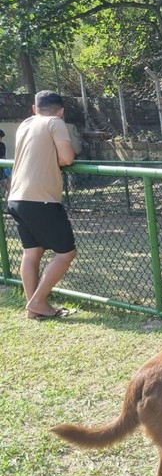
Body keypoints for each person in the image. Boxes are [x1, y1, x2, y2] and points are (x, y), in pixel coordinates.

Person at [6, 90, 77, 319]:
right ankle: (37, 302)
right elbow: (67, 158)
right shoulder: (55, 122)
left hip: (16, 198)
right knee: (66, 253)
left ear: (34, 108)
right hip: (41, 199)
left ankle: (33, 307)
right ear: (61, 110)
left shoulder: (25, 124)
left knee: (32, 252)